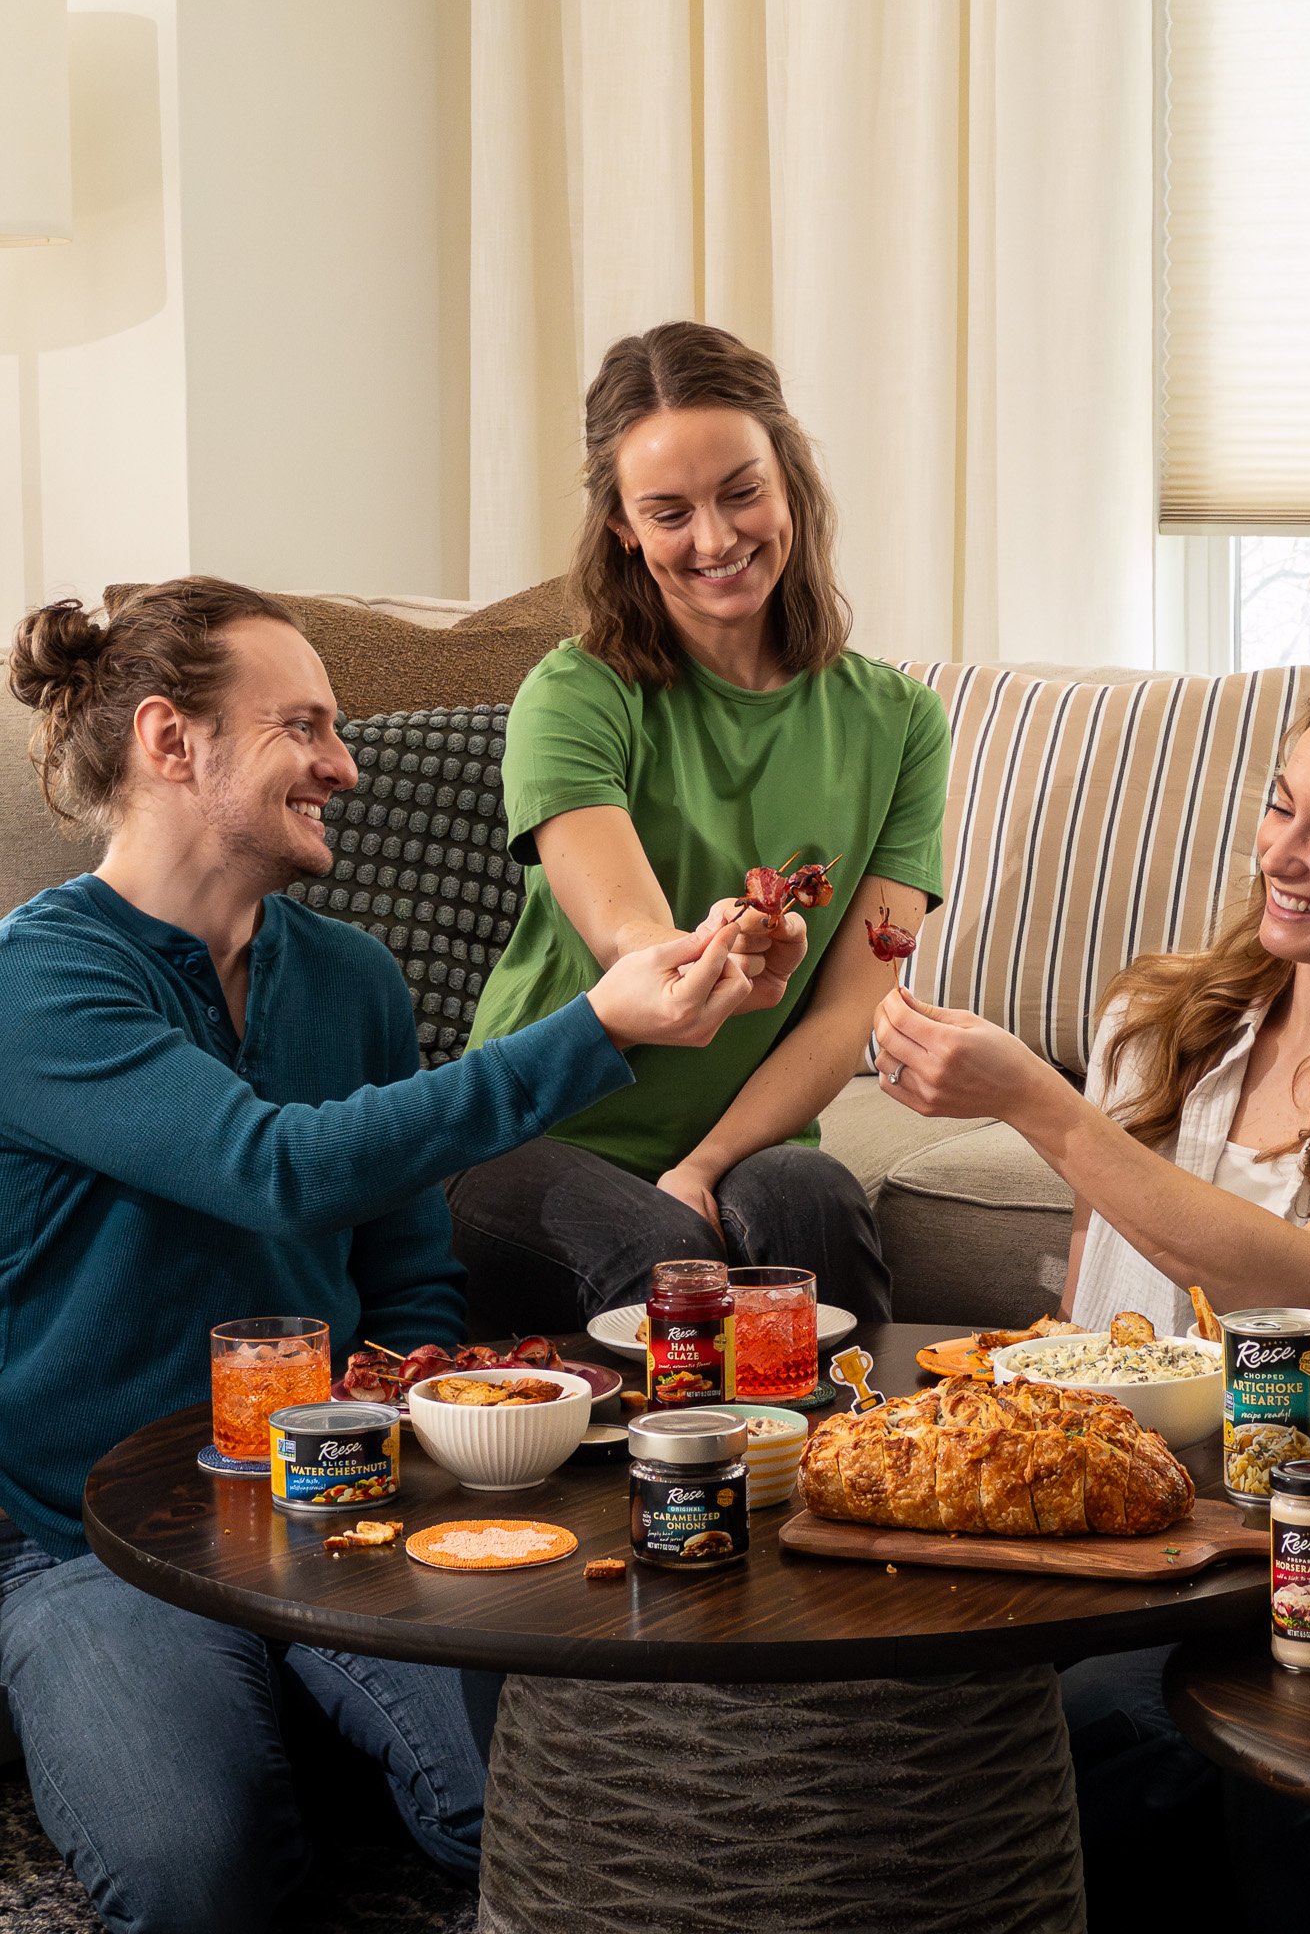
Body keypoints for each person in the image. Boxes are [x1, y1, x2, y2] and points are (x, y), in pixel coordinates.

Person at [0, 576, 761, 1934]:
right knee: (193, 1871)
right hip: (87, 1536)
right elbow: (272, 1165)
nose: (346, 766)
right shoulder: (36, 985)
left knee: (576, 1801)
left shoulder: (349, 976)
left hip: (331, 1503)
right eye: (305, 728)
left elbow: (402, 1254)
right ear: (173, 742)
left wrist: (407, 1385)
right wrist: (597, 1029)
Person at [872, 677, 1310, 1933]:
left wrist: (1040, 1102)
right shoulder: (1166, 1020)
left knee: (1128, 1746)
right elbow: (1089, 1314)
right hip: (1158, 1534)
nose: (1281, 852)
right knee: (917, 1701)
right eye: (1281, 808)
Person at [448, 321, 949, 1332]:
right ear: (624, 527)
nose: (716, 539)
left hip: (744, 1138)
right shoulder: (577, 694)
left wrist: (706, 1161)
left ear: (789, 482)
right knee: (671, 1264)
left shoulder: (897, 720)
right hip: (533, 1138)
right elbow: (627, 935)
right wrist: (705, 951)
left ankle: (861, 1478)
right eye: (669, 511)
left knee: (812, 1201)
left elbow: (847, 1010)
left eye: (740, 491)